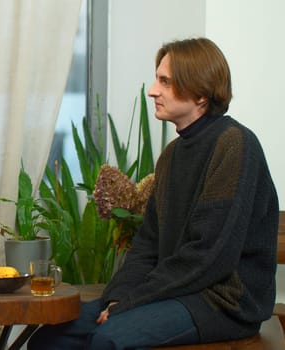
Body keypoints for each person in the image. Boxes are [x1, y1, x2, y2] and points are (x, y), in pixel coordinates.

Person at [28, 37, 279, 349]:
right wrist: (119, 297)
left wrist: (132, 303)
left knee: (108, 340)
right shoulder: (173, 155)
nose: (152, 90)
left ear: (201, 94)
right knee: (53, 337)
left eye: (166, 82)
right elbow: (148, 244)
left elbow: (209, 257)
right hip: (179, 292)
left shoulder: (234, 144)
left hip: (221, 302)